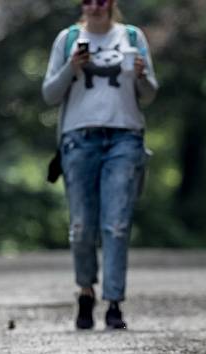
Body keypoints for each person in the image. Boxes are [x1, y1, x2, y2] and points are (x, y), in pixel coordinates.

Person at [41, 0, 158, 330]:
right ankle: (85, 291)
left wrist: (141, 76)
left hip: (125, 139)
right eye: (89, 1)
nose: (95, 6)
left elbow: (149, 93)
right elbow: (49, 94)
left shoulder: (132, 38)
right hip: (79, 140)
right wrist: (71, 68)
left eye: (102, 0)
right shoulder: (67, 40)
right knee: (81, 226)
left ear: (112, 3)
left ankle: (114, 302)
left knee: (117, 224)